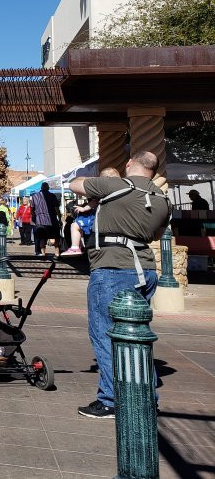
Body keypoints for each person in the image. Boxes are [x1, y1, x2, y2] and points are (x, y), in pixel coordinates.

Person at [70, 151, 171, 419]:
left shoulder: (116, 185)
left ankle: (111, 400)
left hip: (113, 268)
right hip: (145, 270)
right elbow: (157, 235)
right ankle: (146, 397)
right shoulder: (162, 199)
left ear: (129, 164)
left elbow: (75, 184)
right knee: (136, 336)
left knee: (105, 333)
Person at [62, 167, 120, 256]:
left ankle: (75, 247)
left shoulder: (102, 190)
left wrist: (84, 209)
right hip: (110, 218)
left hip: (97, 217)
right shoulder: (119, 191)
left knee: (75, 225)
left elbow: (94, 202)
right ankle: (80, 246)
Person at [30, 182, 61, 258]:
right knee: (56, 236)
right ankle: (56, 253)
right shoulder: (52, 196)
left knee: (42, 237)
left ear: (41, 188)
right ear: (48, 188)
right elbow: (56, 208)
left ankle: (43, 254)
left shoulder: (34, 196)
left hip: (40, 220)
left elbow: (32, 209)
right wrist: (59, 218)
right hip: (52, 219)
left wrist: (34, 217)